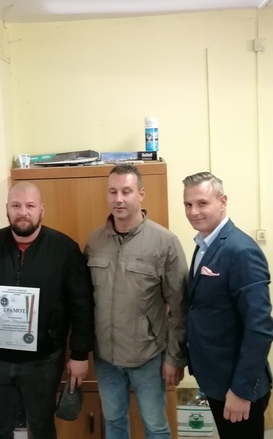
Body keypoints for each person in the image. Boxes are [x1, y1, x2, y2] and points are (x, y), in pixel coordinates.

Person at [0, 181, 94, 439]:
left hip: (44, 360)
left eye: (30, 206)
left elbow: (82, 306)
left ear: (42, 210)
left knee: (41, 429)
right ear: (7, 209)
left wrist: (79, 354)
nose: (23, 212)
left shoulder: (65, 249)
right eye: (16, 206)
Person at [85, 164, 188, 439]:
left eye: (126, 191)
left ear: (141, 194)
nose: (118, 199)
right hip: (106, 357)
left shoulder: (165, 242)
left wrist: (175, 358)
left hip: (148, 356)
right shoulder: (95, 241)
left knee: (155, 426)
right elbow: (85, 300)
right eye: (113, 191)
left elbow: (180, 307)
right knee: (114, 422)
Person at [182, 172, 273, 439]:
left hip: (236, 383)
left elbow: (260, 327)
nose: (193, 212)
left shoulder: (240, 251)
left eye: (202, 203)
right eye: (188, 204)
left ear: (222, 201)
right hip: (215, 376)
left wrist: (241, 391)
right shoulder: (204, 244)